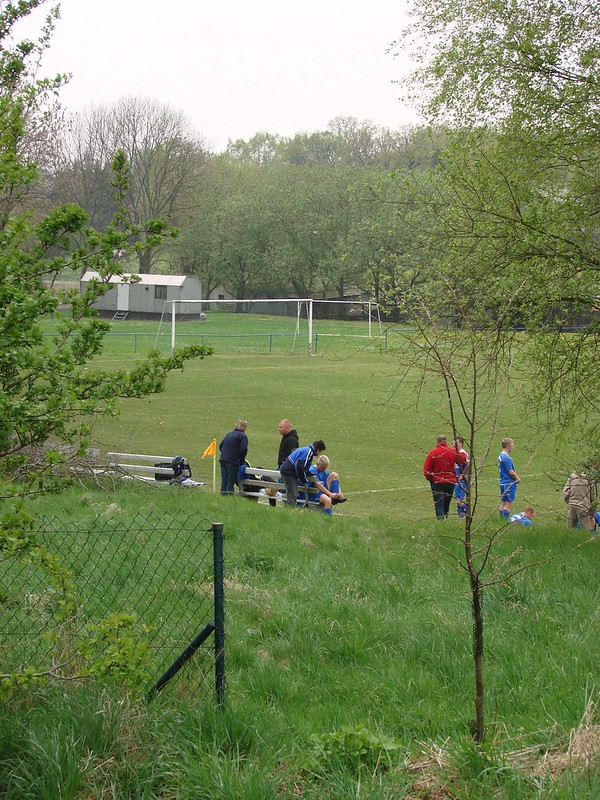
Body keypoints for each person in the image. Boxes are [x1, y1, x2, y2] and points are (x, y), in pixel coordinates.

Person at [423, 435, 467, 520]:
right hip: (450, 482)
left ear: (437, 442)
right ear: (446, 442)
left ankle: (441, 521)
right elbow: (463, 459)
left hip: (437, 482)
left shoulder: (433, 453)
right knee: (447, 503)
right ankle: (445, 519)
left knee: (439, 503)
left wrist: (431, 479)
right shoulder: (452, 451)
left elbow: (426, 470)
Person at [280, 439, 326, 507]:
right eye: (321, 451)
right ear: (318, 449)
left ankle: (289, 510)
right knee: (292, 495)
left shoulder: (307, 450)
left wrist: (309, 473)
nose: (320, 454)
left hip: (288, 472)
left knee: (292, 494)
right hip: (289, 473)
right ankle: (289, 511)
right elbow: (299, 466)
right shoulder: (308, 452)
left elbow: (304, 467)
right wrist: (303, 479)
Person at [271, 419, 299, 507]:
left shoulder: (291, 440)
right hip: (283, 468)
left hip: (286, 471)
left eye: (281, 427)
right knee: (283, 491)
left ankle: (288, 508)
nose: (279, 429)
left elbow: (291, 457)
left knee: (286, 491)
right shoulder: (286, 437)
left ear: (288, 428)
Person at [218, 419, 248, 495]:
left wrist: (226, 453)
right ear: (245, 428)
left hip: (223, 459)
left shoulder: (229, 434)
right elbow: (243, 449)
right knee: (230, 481)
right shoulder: (242, 436)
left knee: (224, 479)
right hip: (233, 461)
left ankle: (222, 495)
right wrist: (241, 459)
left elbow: (221, 446)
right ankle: (228, 495)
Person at [498, 437, 520, 519]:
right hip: (509, 483)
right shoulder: (506, 458)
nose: (513, 446)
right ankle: (504, 521)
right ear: (508, 445)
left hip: (502, 482)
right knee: (508, 503)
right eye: (512, 444)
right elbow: (510, 471)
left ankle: (500, 520)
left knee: (503, 503)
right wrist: (517, 478)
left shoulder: (500, 456)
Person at [453, 436, 470, 518]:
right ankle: (461, 517)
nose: (454, 444)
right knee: (458, 499)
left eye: (456, 442)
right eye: (453, 442)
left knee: (458, 501)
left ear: (461, 444)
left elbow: (468, 463)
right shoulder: (455, 453)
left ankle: (468, 511)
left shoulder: (463, 453)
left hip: (462, 481)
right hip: (456, 480)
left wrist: (463, 475)